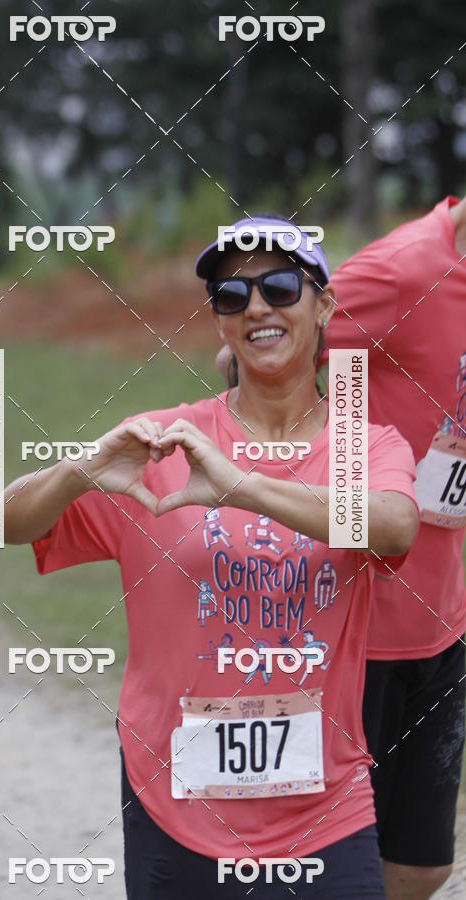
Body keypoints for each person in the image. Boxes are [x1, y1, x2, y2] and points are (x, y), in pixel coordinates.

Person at [4, 217, 419, 899]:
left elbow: (395, 526)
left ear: (325, 305)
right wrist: (78, 471)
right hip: (176, 805)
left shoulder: (366, 445)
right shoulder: (167, 442)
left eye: (281, 286)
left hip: (326, 811)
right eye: (231, 295)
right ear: (220, 320)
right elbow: (6, 519)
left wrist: (242, 487)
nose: (257, 306)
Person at [217, 200, 466, 900]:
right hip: (350, 630)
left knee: (420, 868)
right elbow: (247, 349)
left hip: (440, 620)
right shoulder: (406, 269)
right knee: (309, 862)